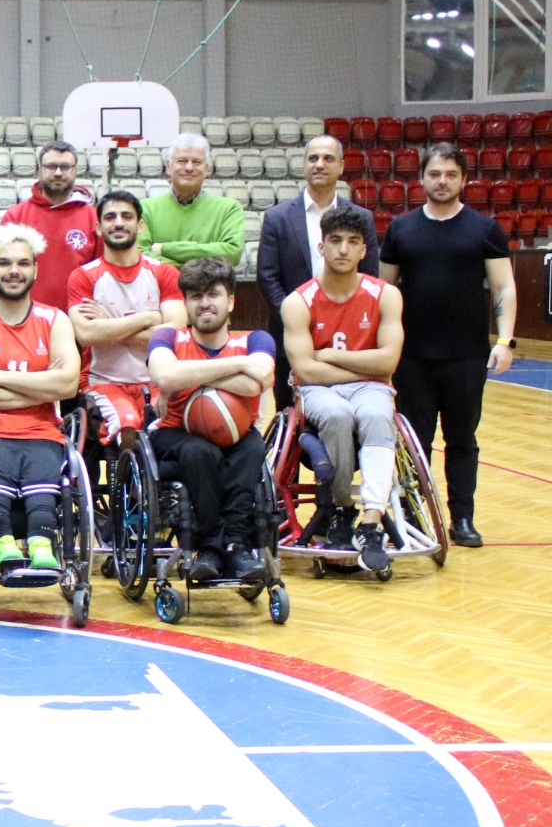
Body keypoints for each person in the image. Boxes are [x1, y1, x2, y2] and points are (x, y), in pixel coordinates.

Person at [379, 141, 516, 548]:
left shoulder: (484, 228)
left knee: (462, 440)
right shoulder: (401, 228)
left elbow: (504, 286)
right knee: (413, 442)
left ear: (464, 179)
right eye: (435, 174)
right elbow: (383, 290)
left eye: (451, 174)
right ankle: (415, 519)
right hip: (412, 358)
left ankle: (463, 519)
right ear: (421, 178)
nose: (442, 181)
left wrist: (505, 340)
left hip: (466, 356)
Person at [0, 224, 81, 580]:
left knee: (45, 483)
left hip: (43, 432)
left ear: (35, 269)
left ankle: (41, 545)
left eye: (23, 263)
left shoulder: (55, 320)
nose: (14, 271)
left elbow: (67, 385)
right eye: (4, 263)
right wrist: (40, 386)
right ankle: (3, 545)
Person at [282, 207, 405, 570]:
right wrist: (362, 366)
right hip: (320, 392)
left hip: (368, 389)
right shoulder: (298, 301)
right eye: (335, 241)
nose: (343, 250)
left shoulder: (385, 295)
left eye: (352, 242)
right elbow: (303, 369)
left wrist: (331, 357)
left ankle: (370, 518)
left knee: (376, 412)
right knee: (337, 414)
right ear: (321, 247)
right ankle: (341, 506)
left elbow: (388, 363)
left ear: (364, 251)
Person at [146, 258, 276, 583]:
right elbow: (164, 375)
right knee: (201, 453)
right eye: (195, 296)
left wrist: (186, 377)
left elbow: (254, 382)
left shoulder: (255, 339)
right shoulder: (167, 337)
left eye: (213, 294)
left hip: (235, 434)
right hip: (173, 432)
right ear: (186, 303)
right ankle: (213, 546)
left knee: (253, 448)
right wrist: (239, 366)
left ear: (230, 300)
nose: (205, 303)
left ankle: (232, 544)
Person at [257, 135, 380, 411]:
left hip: (349, 337)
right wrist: (295, 320)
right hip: (291, 335)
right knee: (290, 416)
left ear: (341, 167)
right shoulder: (278, 218)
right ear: (304, 165)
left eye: (328, 158)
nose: (319, 164)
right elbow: (267, 276)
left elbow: (370, 275)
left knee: (350, 412)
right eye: (313, 158)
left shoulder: (362, 218)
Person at [66, 191, 185, 445]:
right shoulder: (83, 276)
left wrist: (108, 325)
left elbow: (174, 333)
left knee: (175, 427)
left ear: (140, 225)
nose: (118, 222)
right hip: (103, 382)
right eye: (110, 217)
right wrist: (150, 317)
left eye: (126, 216)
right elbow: (87, 335)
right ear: (98, 227)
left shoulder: (164, 273)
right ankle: (126, 485)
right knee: (126, 423)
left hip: (157, 380)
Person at [0, 140, 99, 309]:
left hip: (78, 320)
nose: (58, 173)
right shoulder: (16, 216)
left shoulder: (93, 217)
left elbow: (103, 273)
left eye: (65, 167)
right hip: (26, 319)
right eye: (51, 166)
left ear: (75, 170)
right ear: (40, 169)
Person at [138, 133, 245, 270]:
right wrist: (195, 268)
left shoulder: (229, 209)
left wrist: (166, 248)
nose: (189, 167)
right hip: (160, 290)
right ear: (169, 165)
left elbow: (232, 254)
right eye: (182, 161)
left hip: (208, 291)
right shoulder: (145, 209)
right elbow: (141, 256)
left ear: (206, 168)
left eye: (196, 162)